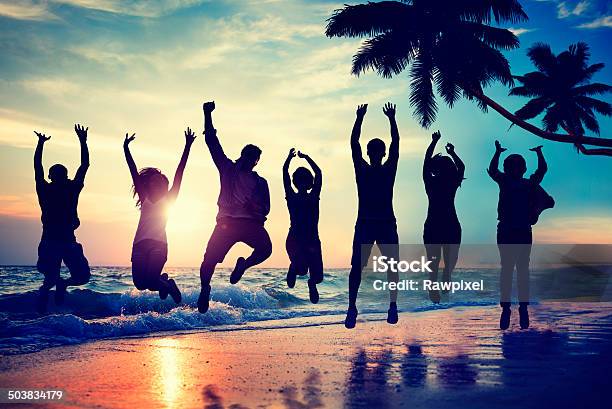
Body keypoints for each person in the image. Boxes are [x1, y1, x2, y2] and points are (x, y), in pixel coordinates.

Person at [198, 101, 272, 313]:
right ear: (242, 154)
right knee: (208, 261)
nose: (250, 159)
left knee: (266, 249)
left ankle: (243, 265)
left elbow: (266, 209)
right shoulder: (227, 169)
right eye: (247, 155)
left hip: (250, 224)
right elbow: (212, 142)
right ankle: (205, 289)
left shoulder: (261, 182)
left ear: (257, 161)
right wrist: (207, 114)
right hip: (226, 224)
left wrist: (253, 206)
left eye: (254, 157)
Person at [123, 128, 196, 303]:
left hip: (158, 244)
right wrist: (126, 148)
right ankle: (165, 283)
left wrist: (187, 145)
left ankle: (167, 284)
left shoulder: (169, 198)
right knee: (141, 285)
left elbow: (180, 171)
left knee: (150, 281)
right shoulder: (144, 196)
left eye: (161, 180)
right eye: (154, 179)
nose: (158, 181)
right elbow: (133, 171)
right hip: (139, 244)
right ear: (149, 183)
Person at [345, 102, 401, 329]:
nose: (376, 154)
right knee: (357, 267)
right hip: (367, 223)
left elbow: (396, 144)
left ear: (382, 153)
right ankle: (351, 306)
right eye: (374, 151)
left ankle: (393, 305)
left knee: (392, 267)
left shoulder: (387, 169)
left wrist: (392, 119)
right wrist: (359, 118)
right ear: (370, 153)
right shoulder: (363, 169)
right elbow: (354, 144)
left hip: (384, 223)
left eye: (379, 151)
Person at [488, 140, 550, 330]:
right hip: (510, 230)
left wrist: (539, 154)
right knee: (514, 269)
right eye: (512, 166)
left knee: (514, 269)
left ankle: (519, 308)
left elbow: (541, 171)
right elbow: (492, 170)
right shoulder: (510, 181)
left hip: (517, 230)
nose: (515, 169)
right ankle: (510, 308)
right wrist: (497, 153)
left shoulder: (525, 183)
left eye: (517, 166)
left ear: (522, 169)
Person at [34, 125, 91, 313]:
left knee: (72, 278)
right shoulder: (59, 189)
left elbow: (37, 168)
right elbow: (84, 166)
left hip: (63, 241)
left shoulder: (54, 189)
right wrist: (83, 141)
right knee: (60, 279)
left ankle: (58, 286)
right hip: (54, 241)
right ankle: (53, 290)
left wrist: (40, 144)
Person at [422, 131, 465, 303]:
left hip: (438, 224)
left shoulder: (442, 182)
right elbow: (461, 167)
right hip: (445, 224)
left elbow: (426, 163)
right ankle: (436, 285)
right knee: (441, 260)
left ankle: (443, 279)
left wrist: (434, 143)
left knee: (443, 260)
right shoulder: (438, 182)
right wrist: (452, 152)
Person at [283, 148, 323, 303]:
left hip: (311, 240)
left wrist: (296, 158)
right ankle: (294, 267)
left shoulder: (312, 197)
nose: (303, 183)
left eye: (305, 180)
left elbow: (318, 174)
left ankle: (311, 283)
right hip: (297, 239)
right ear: (296, 182)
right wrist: (304, 158)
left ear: (310, 183)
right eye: (301, 180)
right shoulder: (296, 197)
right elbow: (285, 174)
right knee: (301, 270)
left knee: (318, 277)